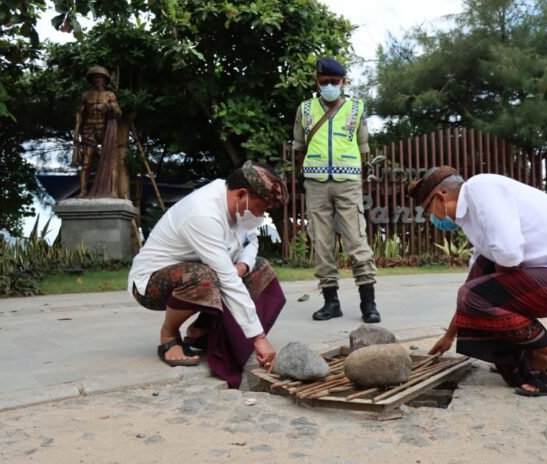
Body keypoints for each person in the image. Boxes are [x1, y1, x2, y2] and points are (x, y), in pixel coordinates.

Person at [408, 166, 547, 397]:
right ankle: (533, 360)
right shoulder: (473, 218)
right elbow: (475, 279)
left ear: (441, 197)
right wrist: (450, 335)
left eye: (429, 210)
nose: (433, 218)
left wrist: (493, 295)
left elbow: (509, 254)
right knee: (477, 284)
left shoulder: (481, 187)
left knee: (475, 297)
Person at [127, 161, 288, 388]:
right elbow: (227, 280)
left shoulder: (241, 208)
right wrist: (258, 338)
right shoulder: (203, 214)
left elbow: (252, 240)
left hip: (204, 271)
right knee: (206, 278)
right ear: (242, 194)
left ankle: (200, 330)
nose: (262, 215)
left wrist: (243, 266)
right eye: (261, 208)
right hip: (150, 283)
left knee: (260, 269)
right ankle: (169, 335)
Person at [292, 57, 381, 323]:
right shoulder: (305, 109)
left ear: (344, 82)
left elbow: (364, 148)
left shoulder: (356, 108)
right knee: (321, 242)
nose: (329, 86)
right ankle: (331, 303)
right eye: (324, 82)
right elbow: (299, 147)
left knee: (357, 241)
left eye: (334, 81)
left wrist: (361, 179)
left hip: (348, 182)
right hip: (315, 183)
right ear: (316, 83)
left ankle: (369, 304)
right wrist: (302, 175)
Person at [73, 66, 122, 197]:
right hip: (88, 129)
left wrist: (107, 105)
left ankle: (111, 190)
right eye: (95, 77)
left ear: (105, 80)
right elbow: (79, 114)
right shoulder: (86, 95)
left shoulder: (110, 95)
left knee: (109, 160)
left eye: (100, 77)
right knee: (86, 161)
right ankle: (83, 190)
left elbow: (118, 113)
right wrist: (76, 133)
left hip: (104, 129)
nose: (98, 80)